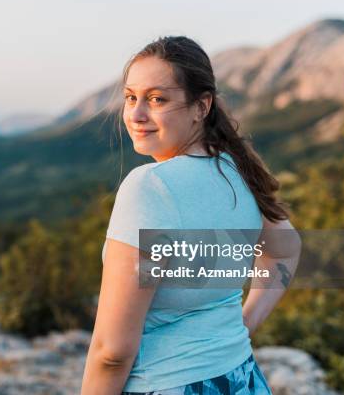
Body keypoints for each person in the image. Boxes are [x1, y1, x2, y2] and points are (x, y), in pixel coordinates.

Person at [81, 36, 301, 394]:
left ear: (202, 106)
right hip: (241, 379)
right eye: (131, 97)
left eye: (157, 99)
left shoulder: (150, 187)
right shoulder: (237, 170)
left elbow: (112, 352)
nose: (136, 114)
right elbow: (286, 249)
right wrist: (244, 325)